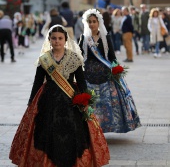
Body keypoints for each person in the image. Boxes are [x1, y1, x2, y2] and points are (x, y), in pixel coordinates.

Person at [9, 25, 110, 167]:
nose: (57, 41)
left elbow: (81, 82)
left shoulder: (74, 58)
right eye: (54, 38)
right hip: (48, 100)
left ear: (65, 40)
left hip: (71, 100)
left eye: (60, 38)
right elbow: (37, 82)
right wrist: (31, 102)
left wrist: (86, 100)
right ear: (49, 40)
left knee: (73, 131)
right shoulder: (44, 59)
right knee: (47, 131)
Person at [79, 9, 141, 133]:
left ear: (98, 22)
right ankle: (91, 128)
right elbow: (80, 56)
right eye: (89, 22)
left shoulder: (106, 37)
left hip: (105, 74)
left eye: (94, 21)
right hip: (89, 74)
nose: (92, 24)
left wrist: (116, 69)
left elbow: (111, 56)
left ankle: (108, 125)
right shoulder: (84, 38)